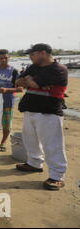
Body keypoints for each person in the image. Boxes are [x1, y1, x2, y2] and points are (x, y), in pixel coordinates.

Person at [15, 43, 68, 191]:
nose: (31, 57)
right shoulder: (33, 68)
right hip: (30, 109)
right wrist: (30, 81)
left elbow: (33, 83)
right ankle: (34, 163)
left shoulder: (58, 70)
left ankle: (57, 176)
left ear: (43, 53)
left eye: (32, 54)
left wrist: (31, 81)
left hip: (48, 112)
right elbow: (19, 82)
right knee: (30, 140)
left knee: (52, 145)